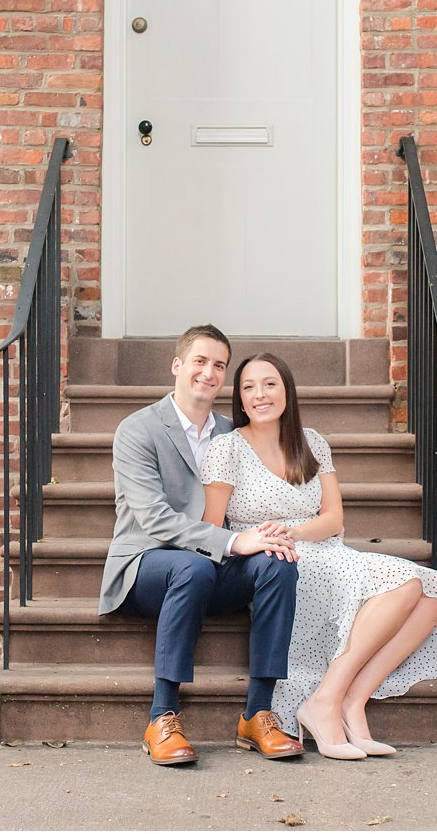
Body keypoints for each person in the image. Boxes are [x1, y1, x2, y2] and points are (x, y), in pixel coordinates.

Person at [201, 352, 437, 760]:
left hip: (321, 547)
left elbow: (335, 517)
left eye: (269, 384)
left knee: (435, 592)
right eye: (248, 387)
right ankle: (324, 703)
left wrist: (298, 530)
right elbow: (212, 527)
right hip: (270, 559)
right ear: (239, 398)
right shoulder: (226, 449)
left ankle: (349, 700)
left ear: (287, 390)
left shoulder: (312, 441)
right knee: (407, 584)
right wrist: (258, 539)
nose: (259, 395)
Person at [98, 325, 306, 766]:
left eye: (218, 365)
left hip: (211, 568)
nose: (208, 372)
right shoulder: (137, 429)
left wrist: (269, 537)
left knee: (278, 564)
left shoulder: (234, 432)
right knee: (191, 568)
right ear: (177, 365)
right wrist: (233, 540)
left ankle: (257, 713)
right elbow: (152, 517)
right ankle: (162, 716)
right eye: (199, 361)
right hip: (145, 565)